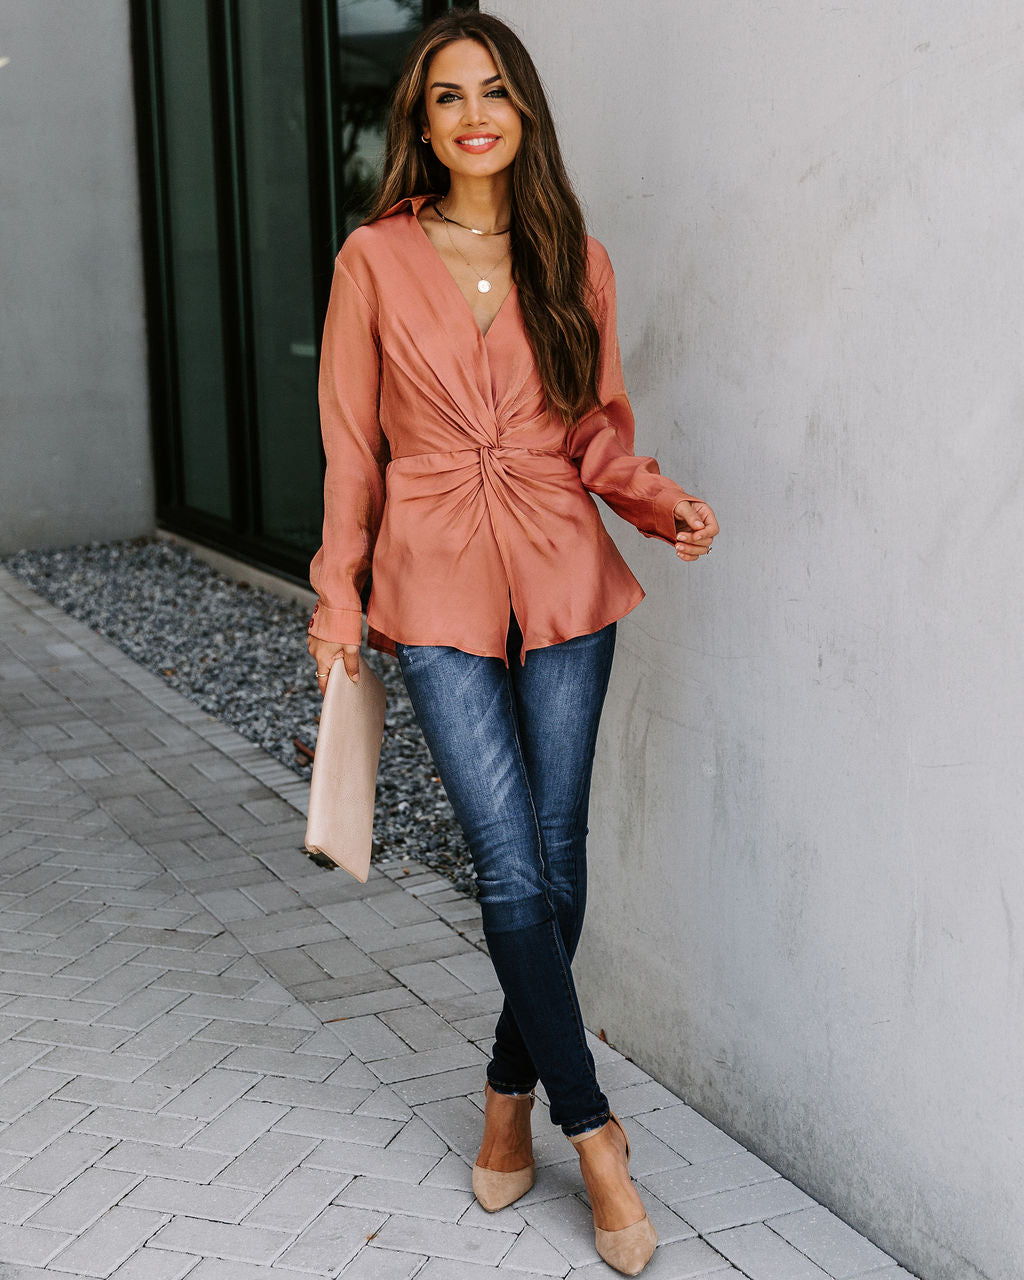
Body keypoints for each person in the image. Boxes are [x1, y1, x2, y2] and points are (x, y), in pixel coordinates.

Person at [307, 11, 719, 1275]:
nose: (473, 112)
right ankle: (592, 1134)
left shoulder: (570, 256)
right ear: (419, 124)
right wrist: (336, 593)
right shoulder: (373, 258)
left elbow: (595, 429)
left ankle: (504, 1097)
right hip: (428, 578)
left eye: (494, 90)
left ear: (522, 111)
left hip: (560, 564)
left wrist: (655, 501)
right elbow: (349, 445)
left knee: (558, 860)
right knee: (506, 867)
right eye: (446, 96)